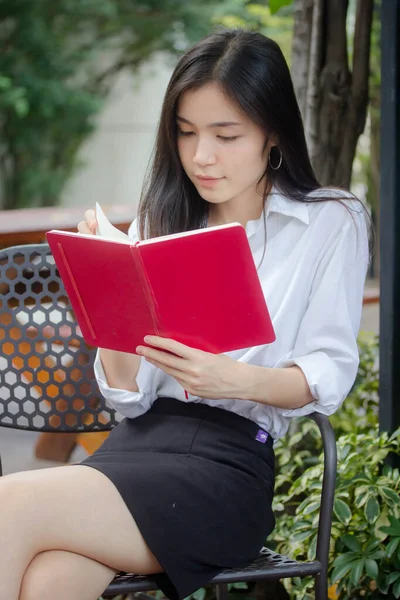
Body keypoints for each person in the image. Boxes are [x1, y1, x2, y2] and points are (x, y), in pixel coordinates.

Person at [0, 28, 369, 600]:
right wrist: (109, 296)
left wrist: (232, 378)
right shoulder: (163, 217)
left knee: (8, 505)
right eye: (186, 132)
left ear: (272, 132)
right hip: (137, 445)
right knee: (48, 581)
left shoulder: (329, 220)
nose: (201, 156)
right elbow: (127, 396)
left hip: (225, 466)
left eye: (226, 135)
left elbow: (328, 372)